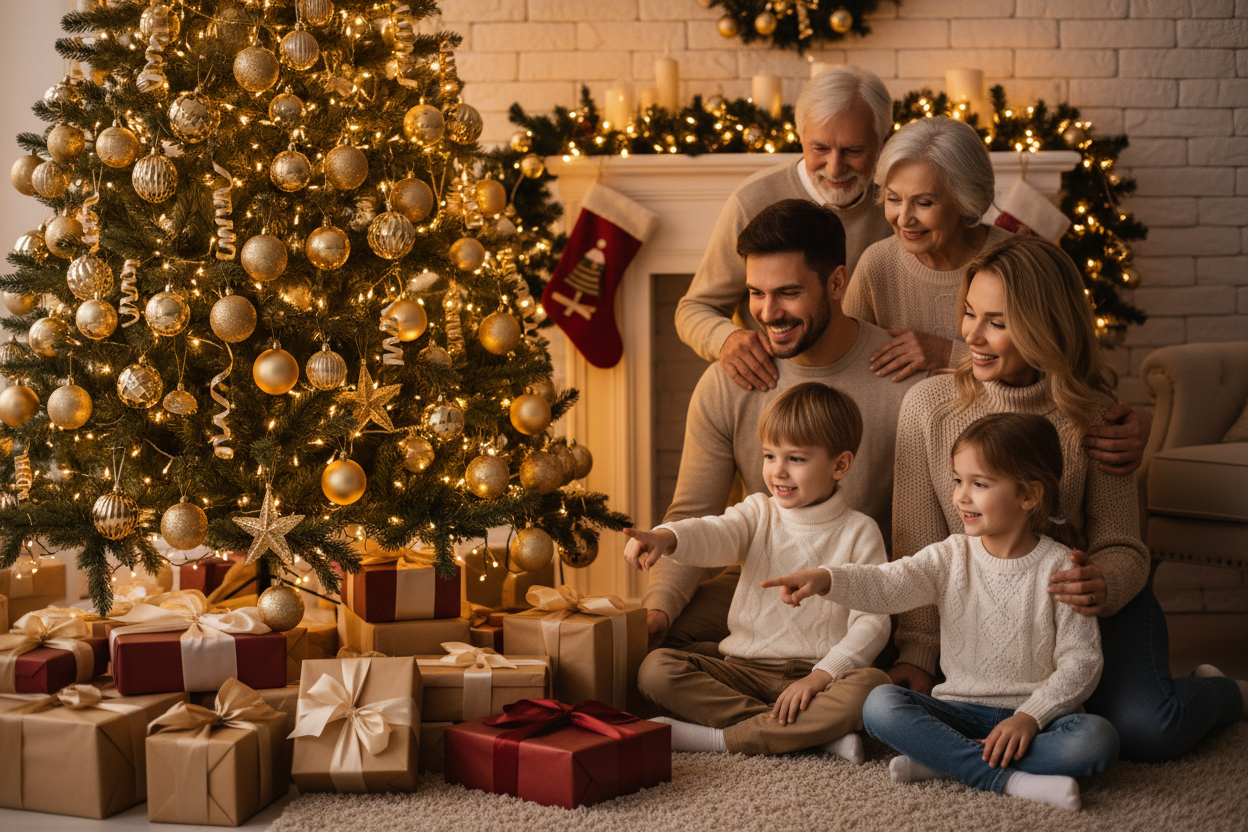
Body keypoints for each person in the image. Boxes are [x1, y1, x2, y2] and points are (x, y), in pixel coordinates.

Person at [888, 235, 1246, 761]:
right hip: (994, 616)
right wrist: (918, 649)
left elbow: (1123, 545)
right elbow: (916, 543)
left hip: (1093, 611)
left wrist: (1104, 582)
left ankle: (1222, 691)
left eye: (998, 321)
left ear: (1043, 326)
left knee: (1150, 731)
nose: (972, 335)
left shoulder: (1096, 418)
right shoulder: (928, 408)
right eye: (969, 313)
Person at [763, 413, 1119, 811]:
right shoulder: (950, 555)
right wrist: (828, 579)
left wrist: (1030, 717)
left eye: (979, 484)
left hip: (1037, 720)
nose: (961, 496)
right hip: (956, 711)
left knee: (1097, 738)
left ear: (1029, 495)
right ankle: (1010, 778)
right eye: (957, 480)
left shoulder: (1063, 569)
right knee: (880, 704)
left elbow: (1082, 661)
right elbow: (888, 583)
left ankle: (944, 761)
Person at [643, 199, 923, 656]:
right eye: (756, 292)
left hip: (863, 594)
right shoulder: (729, 380)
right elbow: (693, 512)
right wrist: (659, 608)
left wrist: (917, 648)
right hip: (762, 581)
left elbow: (924, 542)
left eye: (788, 293)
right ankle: (773, 722)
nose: (768, 313)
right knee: (663, 649)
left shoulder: (901, 378)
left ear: (836, 283)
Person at [625, 382, 891, 760]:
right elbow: (716, 532)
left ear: (840, 464)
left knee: (874, 686)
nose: (778, 472)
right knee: (656, 669)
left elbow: (873, 621)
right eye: (769, 456)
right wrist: (668, 537)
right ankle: (811, 736)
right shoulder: (758, 512)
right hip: (744, 672)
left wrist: (822, 676)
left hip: (817, 677)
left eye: (796, 459)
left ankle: (721, 741)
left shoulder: (860, 532)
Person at [675, 66, 893, 393]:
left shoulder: (900, 203)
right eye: (819, 149)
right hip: (776, 390)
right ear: (801, 137)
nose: (835, 167)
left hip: (872, 384)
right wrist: (726, 338)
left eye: (853, 150)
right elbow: (693, 309)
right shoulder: (752, 201)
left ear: (882, 142)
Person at [844, 116, 1010, 382]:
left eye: (923, 202)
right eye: (894, 199)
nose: (903, 218)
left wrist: (949, 354)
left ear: (965, 201)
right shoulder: (877, 264)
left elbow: (1058, 367)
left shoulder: (1018, 260)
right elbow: (845, 359)